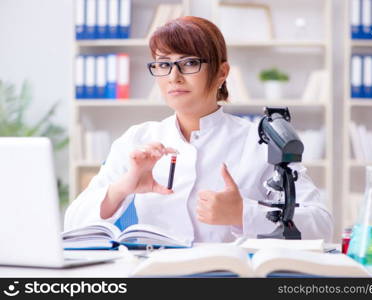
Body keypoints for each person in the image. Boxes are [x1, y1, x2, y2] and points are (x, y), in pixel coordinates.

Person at [64, 16, 333, 242]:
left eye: (190, 62)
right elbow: (73, 225)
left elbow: (320, 223)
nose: (173, 76)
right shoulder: (138, 139)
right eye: (163, 63)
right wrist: (121, 188)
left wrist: (242, 213)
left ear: (221, 73)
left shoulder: (259, 141)